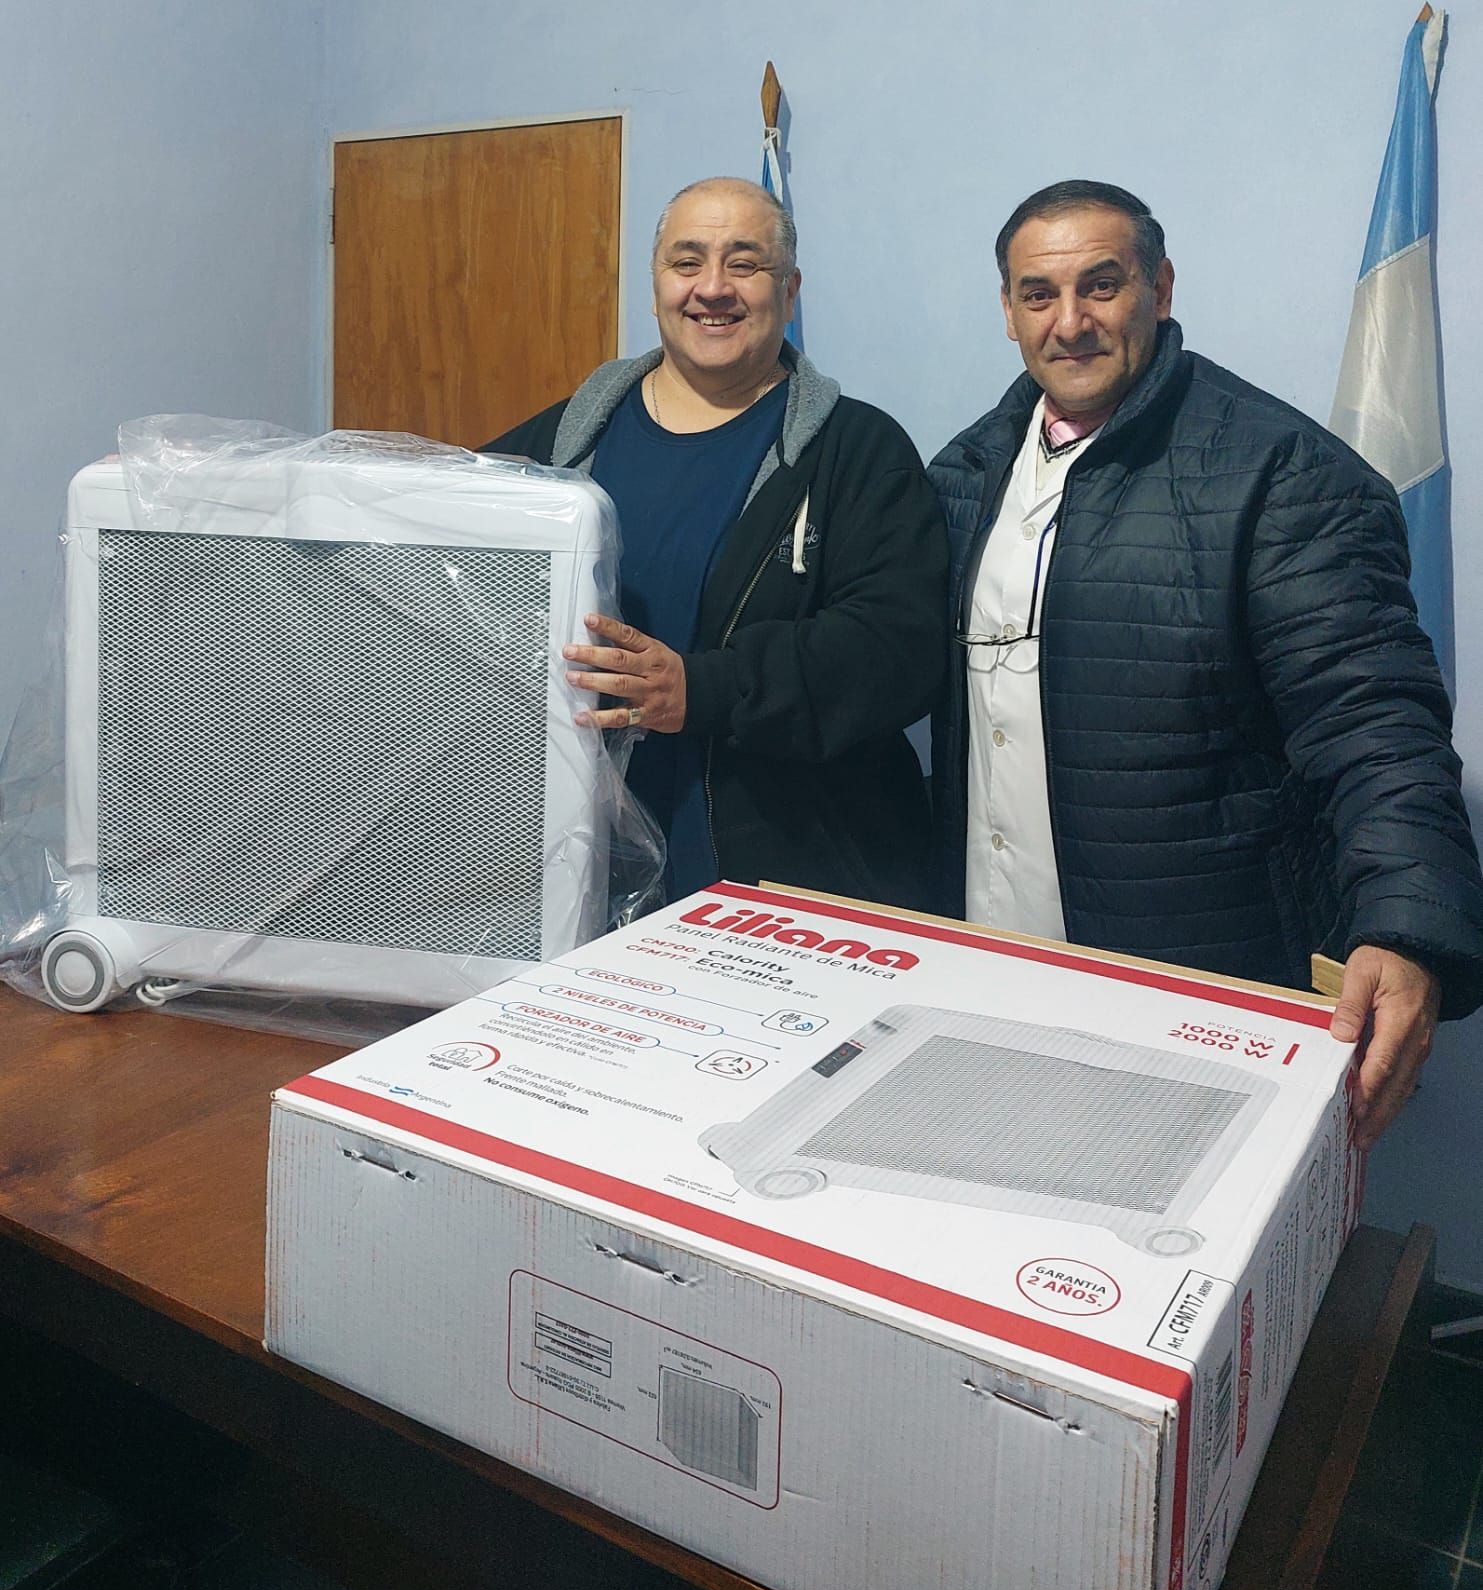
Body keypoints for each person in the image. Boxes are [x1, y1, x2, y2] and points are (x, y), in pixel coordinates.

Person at [929, 179, 1483, 1147]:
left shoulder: (1281, 474)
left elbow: (1373, 723)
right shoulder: (963, 472)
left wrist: (1403, 926)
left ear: (1160, 288)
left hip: (1200, 985)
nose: (1070, 322)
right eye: (1038, 294)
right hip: (993, 962)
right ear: (1008, 312)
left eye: (1101, 285)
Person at [485, 177, 947, 910]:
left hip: (784, 883)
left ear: (789, 290)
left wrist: (702, 691)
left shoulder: (858, 451)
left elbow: (898, 652)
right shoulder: (560, 446)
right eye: (687, 261)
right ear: (656, 286)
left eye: (744, 263)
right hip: (575, 880)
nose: (712, 288)